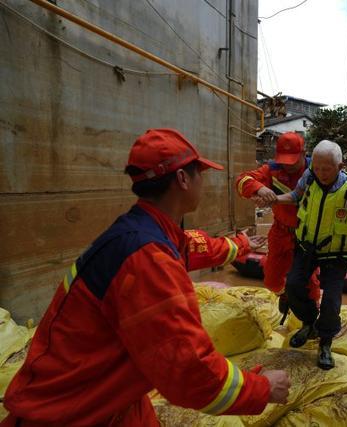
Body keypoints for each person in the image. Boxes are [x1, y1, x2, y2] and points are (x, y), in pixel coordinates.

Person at [1, 129, 290, 427]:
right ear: (182, 179)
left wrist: (242, 244)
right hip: (74, 411)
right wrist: (262, 388)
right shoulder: (148, 259)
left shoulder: (142, 232)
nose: (203, 181)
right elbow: (188, 369)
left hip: (110, 393)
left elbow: (192, 247)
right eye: (199, 173)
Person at [273, 140, 347, 370]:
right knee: (294, 285)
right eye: (316, 167)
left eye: (326, 169)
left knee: (331, 301)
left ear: (340, 165)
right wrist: (275, 199)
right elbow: (296, 196)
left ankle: (325, 342)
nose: (320, 173)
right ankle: (309, 323)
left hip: (336, 254)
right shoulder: (308, 178)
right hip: (307, 246)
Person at [235, 132, 321, 313]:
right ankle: (285, 294)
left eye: (292, 161)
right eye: (284, 160)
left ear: (303, 152)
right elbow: (242, 180)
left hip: (306, 235)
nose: (287, 166)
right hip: (280, 231)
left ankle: (312, 315)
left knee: (309, 282)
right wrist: (260, 188)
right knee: (271, 280)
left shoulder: (316, 171)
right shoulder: (272, 169)